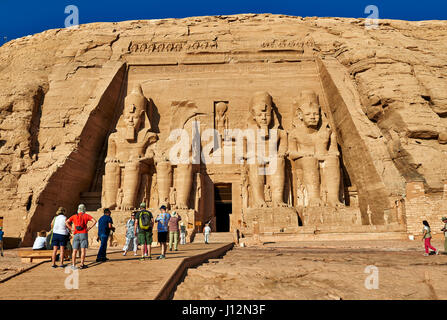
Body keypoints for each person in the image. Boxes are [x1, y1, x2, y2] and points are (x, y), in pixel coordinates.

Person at [65, 204, 97, 269]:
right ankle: (82, 264)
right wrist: (89, 228)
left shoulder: (74, 216)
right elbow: (95, 221)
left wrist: (71, 228)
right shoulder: (86, 215)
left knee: (74, 250)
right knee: (83, 250)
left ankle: (73, 265)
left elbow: (66, 222)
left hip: (76, 234)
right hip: (84, 233)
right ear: (84, 209)